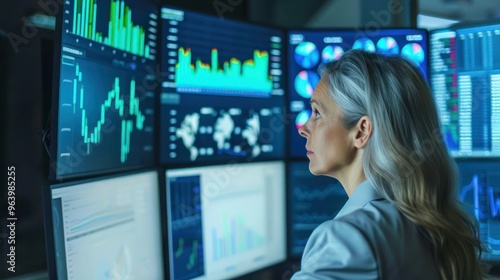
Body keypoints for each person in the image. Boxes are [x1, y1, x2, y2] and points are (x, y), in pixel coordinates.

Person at [291, 49, 485, 280]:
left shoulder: (345, 240)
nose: (304, 129)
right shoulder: (433, 223)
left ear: (361, 131)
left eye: (317, 113)